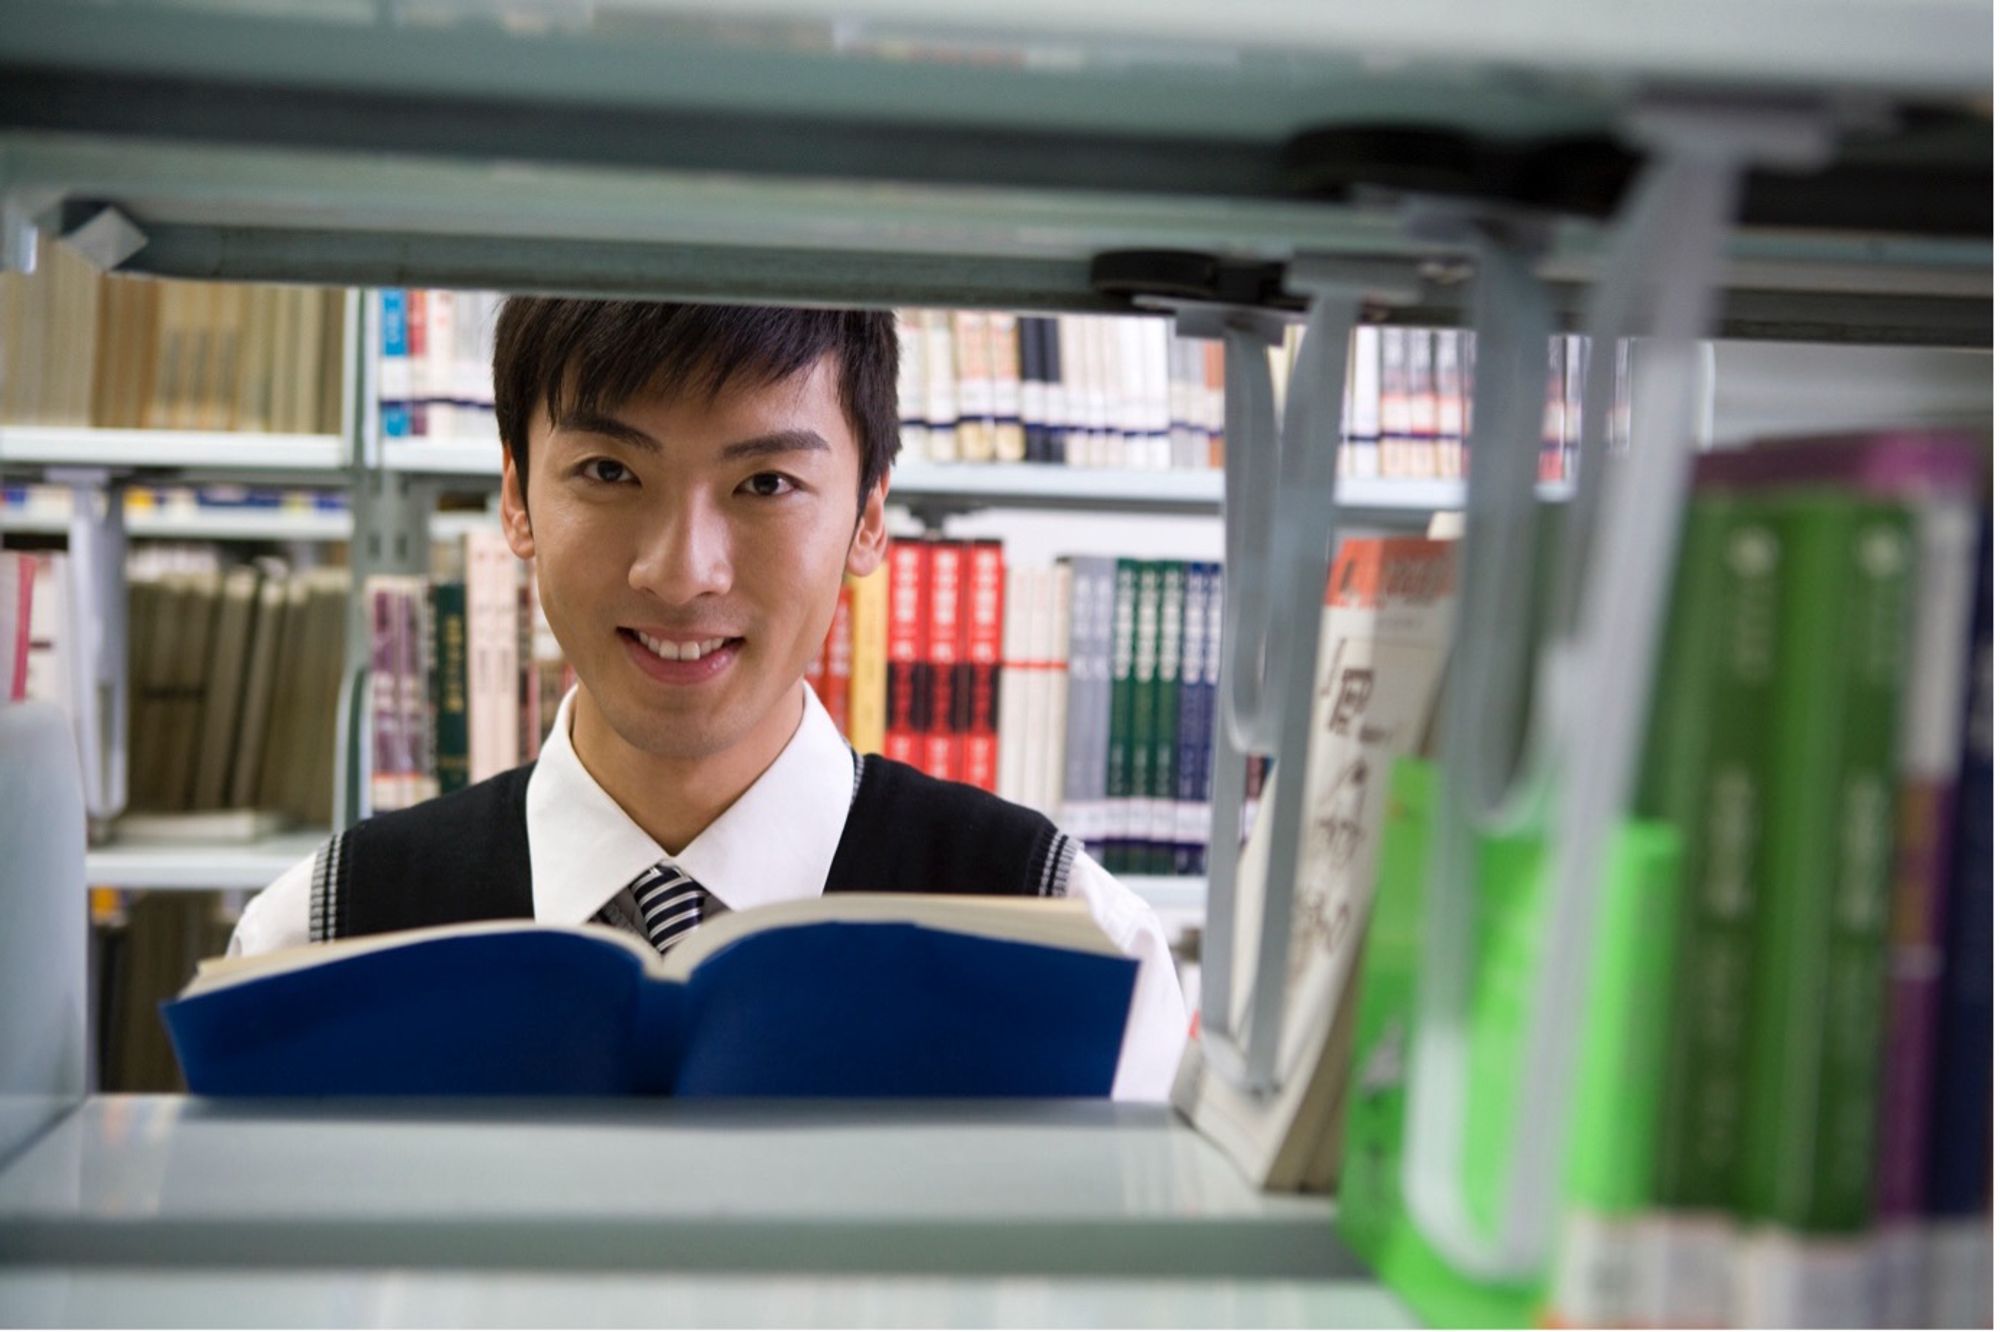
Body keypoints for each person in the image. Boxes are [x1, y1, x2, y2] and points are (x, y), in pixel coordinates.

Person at [230, 299, 1188, 1099]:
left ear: (868, 517)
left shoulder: (1080, 959)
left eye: (765, 482)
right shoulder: (318, 946)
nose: (681, 572)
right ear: (516, 497)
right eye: (610, 472)